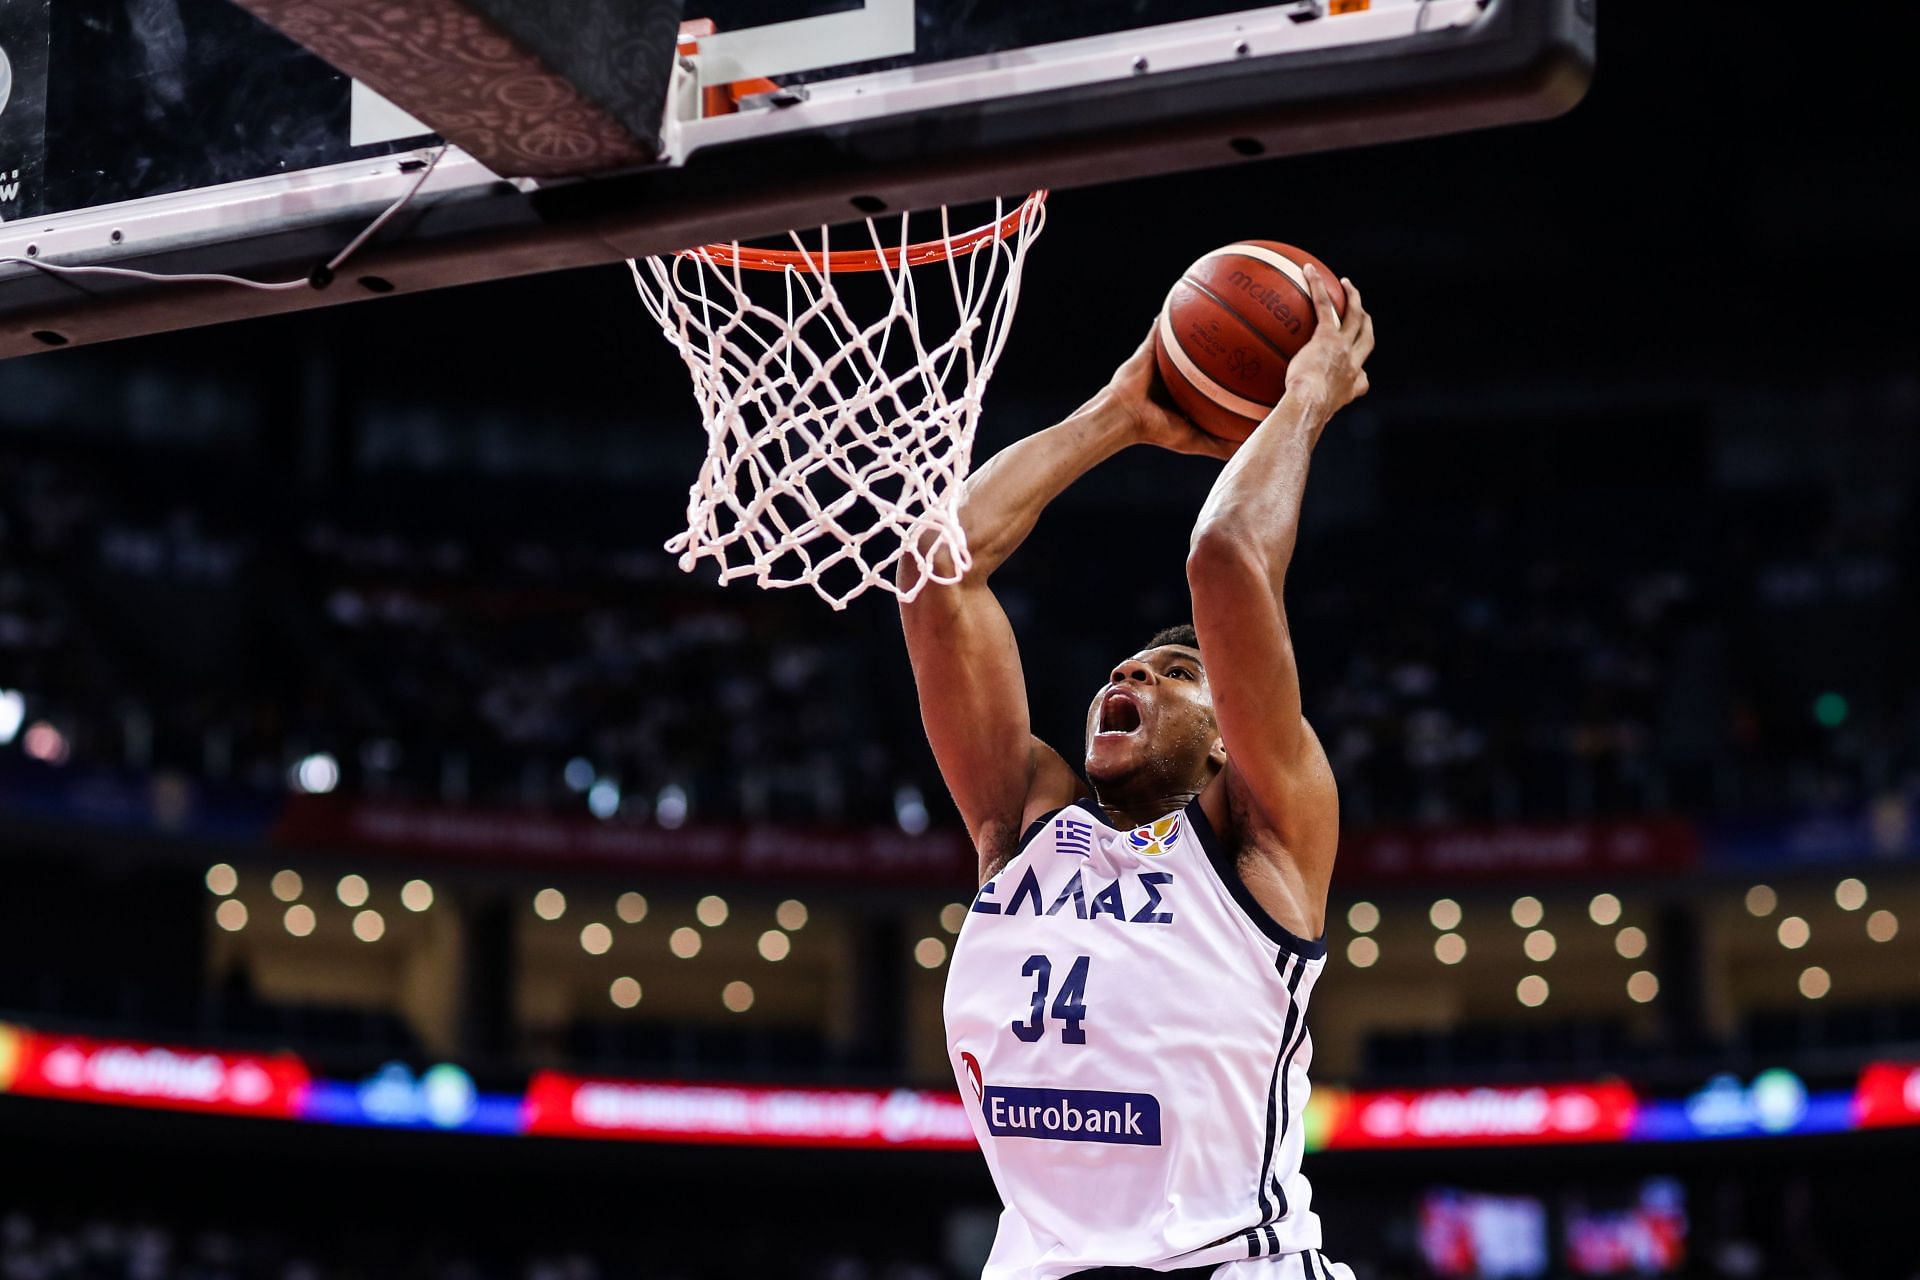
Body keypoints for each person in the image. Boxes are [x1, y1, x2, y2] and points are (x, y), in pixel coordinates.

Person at [899, 265, 1374, 1280]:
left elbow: (1227, 556)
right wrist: (1118, 411)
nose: (1132, 670)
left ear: (1224, 740)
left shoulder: (1265, 840)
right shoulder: (1020, 823)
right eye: (1128, 664)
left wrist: (1305, 399)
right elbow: (938, 566)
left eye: (1176, 671)